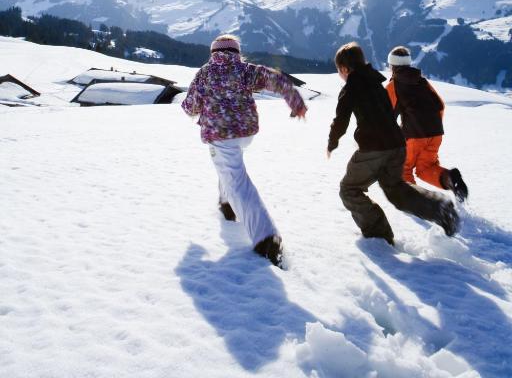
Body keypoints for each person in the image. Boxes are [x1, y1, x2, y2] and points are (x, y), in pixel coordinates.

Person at [182, 34, 307, 267]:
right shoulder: (246, 70)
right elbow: (277, 79)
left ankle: (266, 238)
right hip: (245, 133)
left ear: (213, 53)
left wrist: (197, 106)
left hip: (221, 135)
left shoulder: (205, 73)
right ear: (236, 53)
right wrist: (295, 100)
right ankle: (227, 204)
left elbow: (190, 106)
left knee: (236, 180)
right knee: (229, 168)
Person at [327, 42, 459, 245]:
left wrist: (332, 142)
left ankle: (379, 236)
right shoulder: (378, 83)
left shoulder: (353, 87)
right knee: (396, 188)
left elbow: (341, 120)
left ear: (344, 69)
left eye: (339, 71)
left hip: (375, 148)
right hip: (398, 145)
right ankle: (439, 208)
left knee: (349, 189)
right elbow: (390, 113)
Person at [386, 45, 468, 202]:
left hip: (414, 136)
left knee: (404, 170)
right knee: (426, 168)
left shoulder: (394, 85)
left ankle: (416, 202)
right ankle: (450, 179)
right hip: (436, 133)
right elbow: (440, 106)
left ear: (392, 66)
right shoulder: (423, 82)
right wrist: (432, 127)